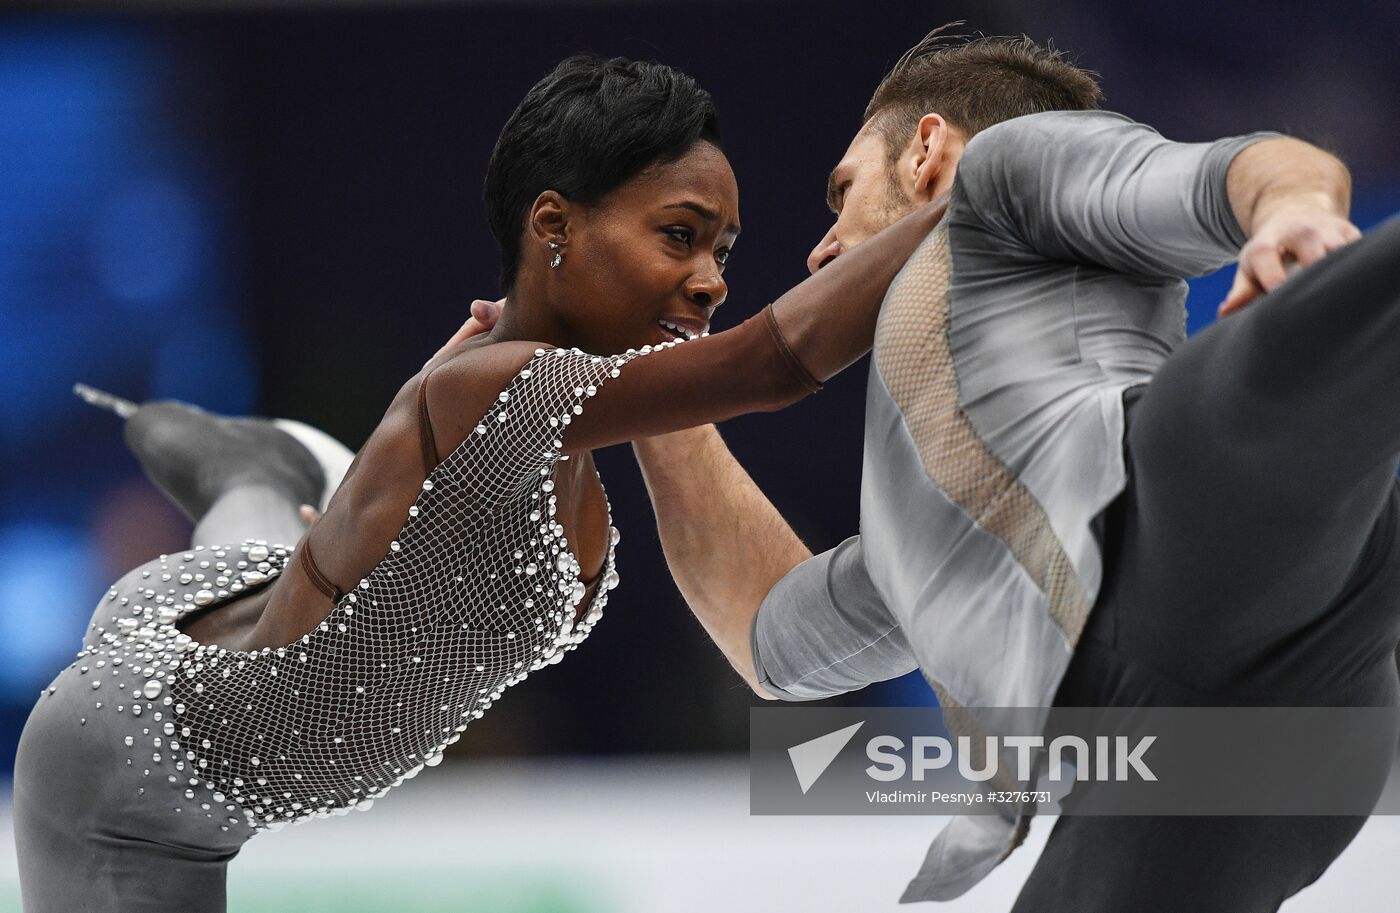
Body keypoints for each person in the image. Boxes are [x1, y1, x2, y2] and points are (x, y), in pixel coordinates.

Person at [12, 54, 946, 913]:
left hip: (239, 622)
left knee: (252, 473)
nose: (709, 281)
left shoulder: (530, 407)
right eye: (678, 236)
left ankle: (182, 430)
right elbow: (768, 367)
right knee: (245, 476)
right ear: (554, 226)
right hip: (135, 763)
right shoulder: (497, 385)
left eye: (722, 252)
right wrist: (983, 196)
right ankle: (122, 406)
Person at [607, 29, 1399, 911]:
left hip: (1187, 536)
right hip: (1221, 759)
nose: (822, 249)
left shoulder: (1005, 173)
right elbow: (767, 631)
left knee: (1270, 381)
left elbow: (1243, 170)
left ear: (928, 150)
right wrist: (648, 378)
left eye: (845, 191)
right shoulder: (937, 555)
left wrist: (1293, 211)